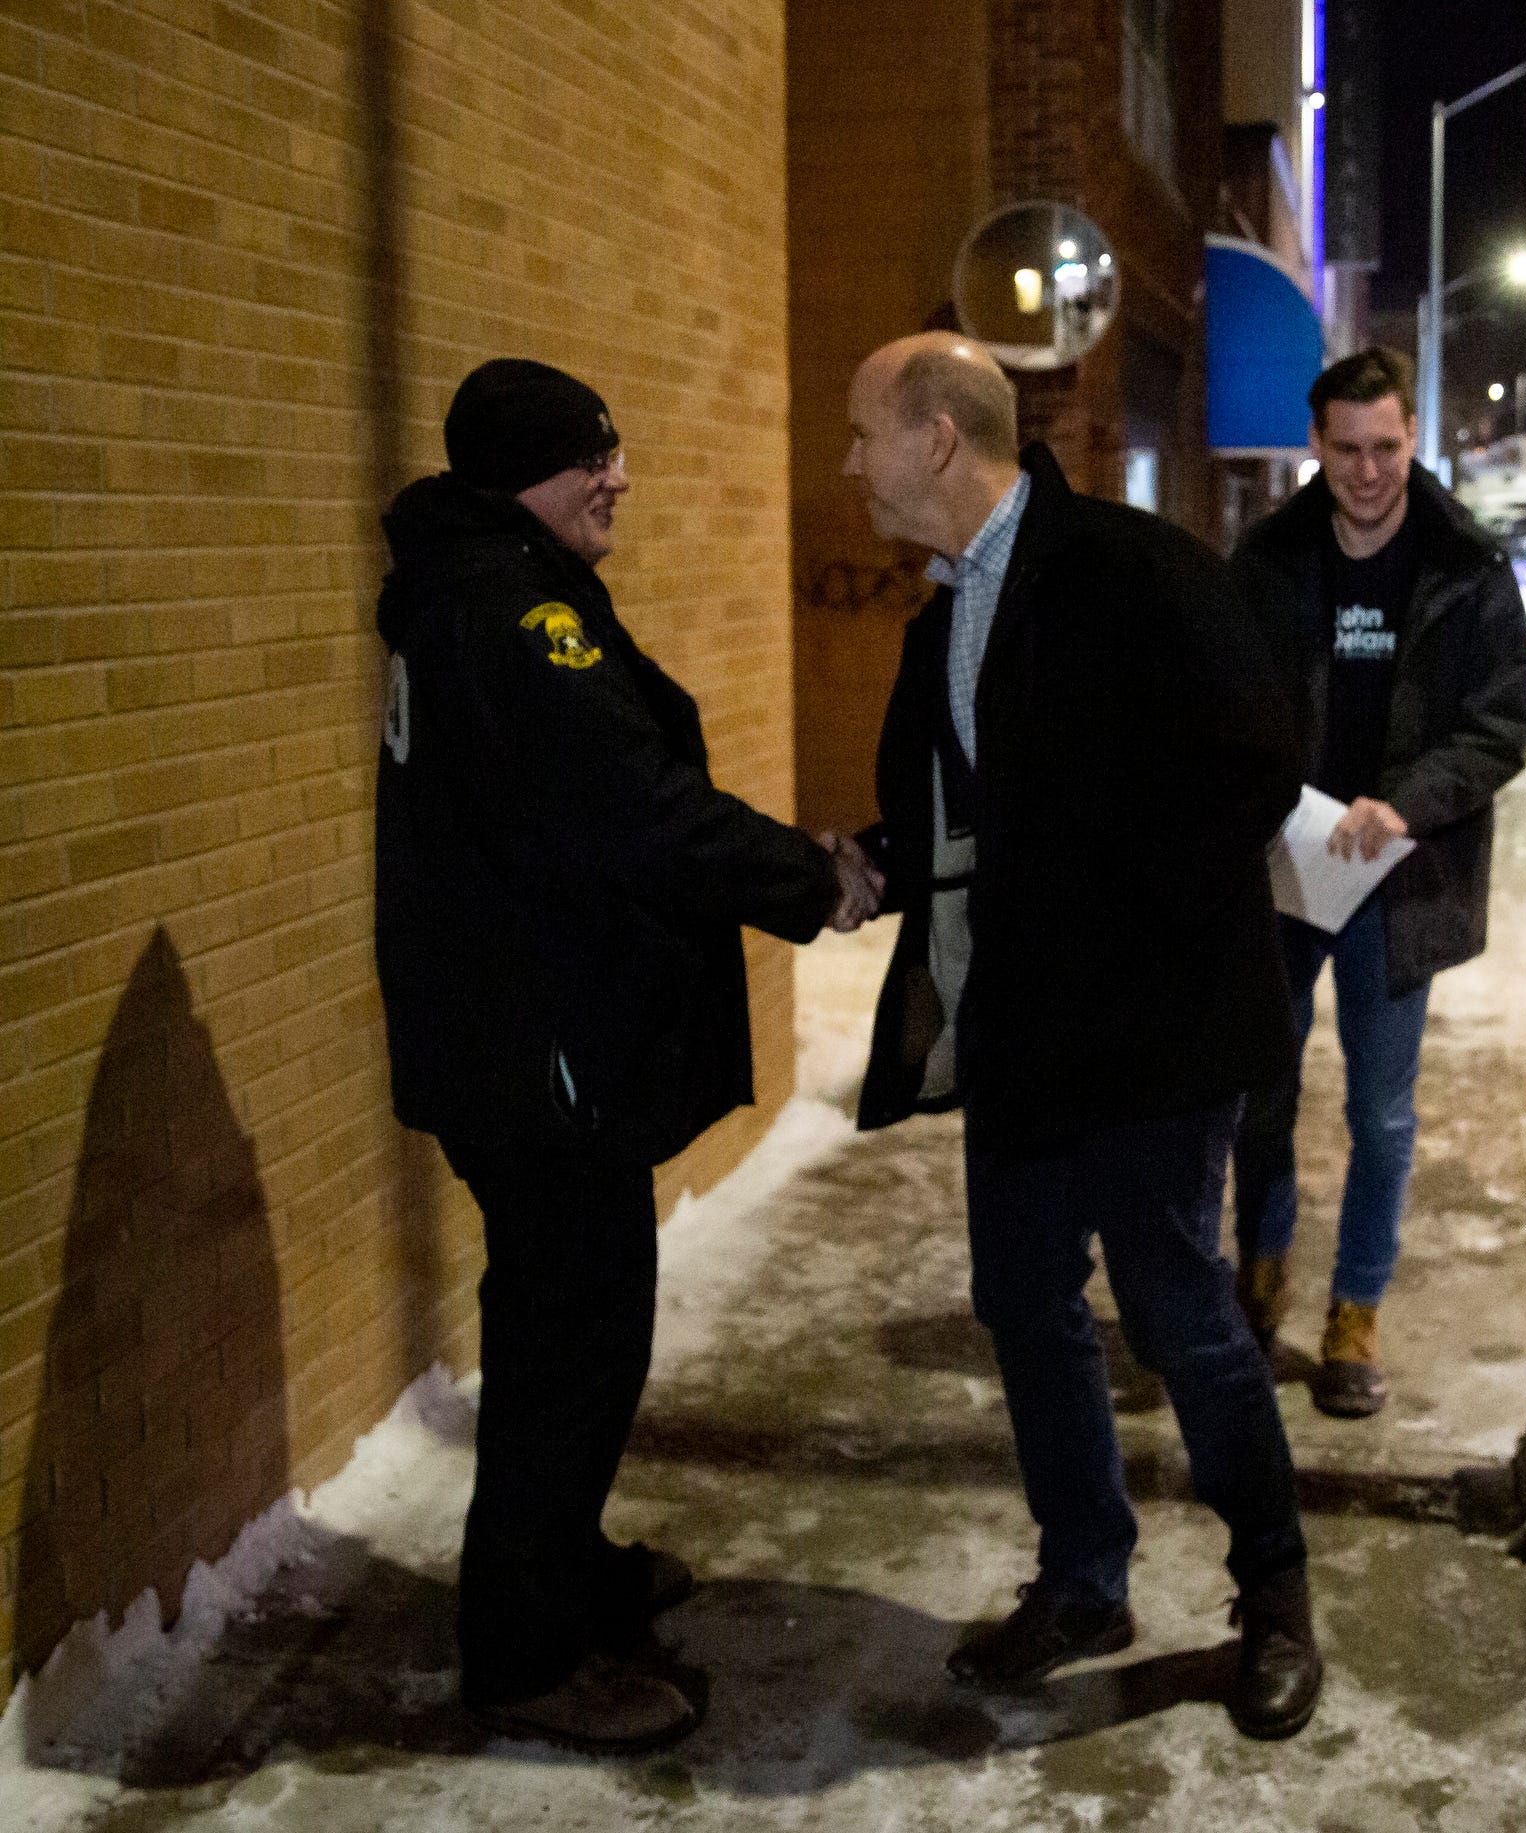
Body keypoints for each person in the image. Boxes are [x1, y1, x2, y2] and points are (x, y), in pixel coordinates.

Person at [374, 358, 883, 1751]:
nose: (619, 477)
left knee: (574, 1324)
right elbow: (639, 807)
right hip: (535, 1050)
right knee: (566, 1344)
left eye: (615, 448)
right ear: (519, 474)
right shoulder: (512, 611)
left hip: (515, 1036)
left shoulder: (469, 586)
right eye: (587, 457)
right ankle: (526, 1651)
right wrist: (810, 879)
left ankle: (559, 1569)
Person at [842, 333, 1324, 1739]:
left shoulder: (1131, 566)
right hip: (1026, 1041)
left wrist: (1106, 922)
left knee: (1181, 1322)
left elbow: (1254, 764)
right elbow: (982, 815)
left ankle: (1276, 1595)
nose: (850, 462)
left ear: (938, 437)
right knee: (1025, 1306)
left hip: (1154, 1039)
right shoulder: (942, 619)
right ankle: (1084, 1577)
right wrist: (878, 860)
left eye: (865, 431)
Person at [1229, 348, 1526, 1417]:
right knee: (1257, 1097)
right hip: (1282, 864)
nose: (1367, 472)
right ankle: (1253, 1291)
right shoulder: (1266, 560)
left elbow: (1498, 729)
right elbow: (1228, 705)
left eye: (1387, 448)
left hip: (1399, 871)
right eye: (1346, 449)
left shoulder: (1467, 569)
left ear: (1415, 438)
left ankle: (1354, 1318)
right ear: (1315, 445)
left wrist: (1402, 802)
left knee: (1381, 1115)